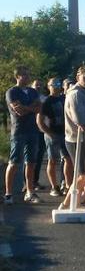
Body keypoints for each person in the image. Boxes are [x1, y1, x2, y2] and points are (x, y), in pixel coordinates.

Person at [60, 65, 85, 209]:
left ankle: (81, 202)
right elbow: (79, 119)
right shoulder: (75, 94)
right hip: (76, 138)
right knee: (83, 173)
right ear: (78, 78)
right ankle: (73, 203)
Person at [4, 66, 42, 204]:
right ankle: (8, 193)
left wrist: (27, 108)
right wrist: (30, 107)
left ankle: (30, 191)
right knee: (14, 162)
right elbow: (18, 111)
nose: (27, 77)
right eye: (24, 75)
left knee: (31, 162)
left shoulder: (32, 91)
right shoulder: (11, 92)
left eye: (28, 74)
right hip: (19, 131)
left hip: (33, 130)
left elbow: (39, 108)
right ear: (18, 76)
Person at [36, 77, 71, 197]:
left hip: (65, 133)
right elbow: (39, 120)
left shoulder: (64, 99)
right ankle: (54, 186)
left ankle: (67, 185)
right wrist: (48, 133)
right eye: (53, 84)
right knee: (52, 160)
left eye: (58, 84)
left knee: (68, 159)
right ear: (48, 86)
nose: (56, 86)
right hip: (52, 134)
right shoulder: (46, 101)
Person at [31, 79, 47, 191]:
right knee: (30, 158)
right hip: (30, 130)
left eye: (40, 85)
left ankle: (35, 181)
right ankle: (27, 183)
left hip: (41, 131)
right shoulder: (27, 97)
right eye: (36, 85)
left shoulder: (44, 99)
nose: (38, 87)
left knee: (39, 156)